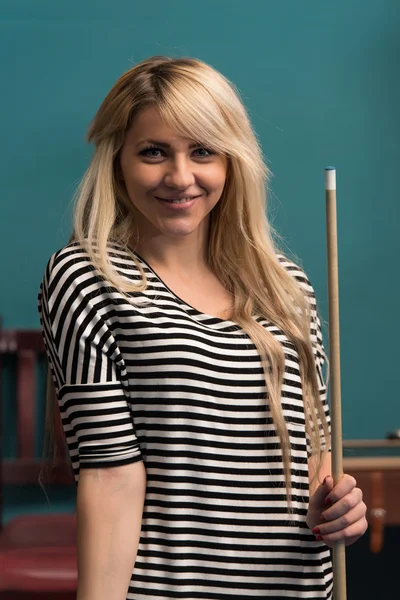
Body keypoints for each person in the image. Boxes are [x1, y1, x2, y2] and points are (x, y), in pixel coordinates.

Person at [38, 55, 367, 600]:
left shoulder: (286, 286)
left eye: (203, 151)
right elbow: (110, 478)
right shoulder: (88, 278)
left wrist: (340, 508)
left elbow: (315, 456)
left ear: (232, 161)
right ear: (117, 159)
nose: (180, 177)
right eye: (153, 152)